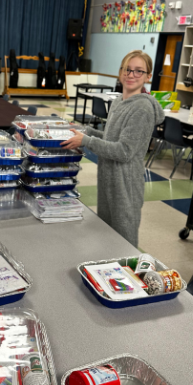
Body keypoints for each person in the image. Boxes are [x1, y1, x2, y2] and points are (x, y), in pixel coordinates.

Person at [59, 50, 164, 246]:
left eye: (138, 71)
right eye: (127, 69)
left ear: (148, 76)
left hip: (125, 184)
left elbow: (124, 151)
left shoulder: (142, 108)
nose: (131, 75)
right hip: (108, 178)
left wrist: (87, 141)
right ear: (120, 72)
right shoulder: (118, 101)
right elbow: (111, 139)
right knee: (106, 235)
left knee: (123, 241)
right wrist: (86, 132)